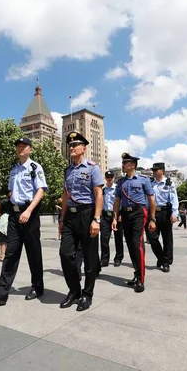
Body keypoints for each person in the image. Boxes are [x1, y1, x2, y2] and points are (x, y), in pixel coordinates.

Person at [0, 137, 47, 306]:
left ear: (30, 149)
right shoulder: (13, 169)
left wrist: (28, 210)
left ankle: (37, 287)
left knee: (33, 253)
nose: (20, 148)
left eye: (23, 146)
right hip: (15, 215)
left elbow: (40, 191)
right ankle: (0, 294)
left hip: (29, 214)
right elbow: (11, 192)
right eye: (18, 146)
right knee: (10, 253)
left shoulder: (35, 167)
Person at [58, 132, 103, 311]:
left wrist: (96, 220)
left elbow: (99, 194)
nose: (71, 147)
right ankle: (74, 290)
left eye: (75, 145)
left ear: (83, 148)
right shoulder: (67, 170)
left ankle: (87, 294)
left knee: (90, 257)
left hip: (87, 214)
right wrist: (62, 218)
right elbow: (65, 194)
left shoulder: (93, 168)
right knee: (65, 254)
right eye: (70, 145)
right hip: (70, 216)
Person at [112, 152, 156, 293]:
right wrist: (115, 217)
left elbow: (151, 200)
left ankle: (141, 279)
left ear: (132, 165)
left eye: (125, 164)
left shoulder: (144, 180)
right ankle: (136, 274)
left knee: (137, 244)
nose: (122, 166)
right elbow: (117, 201)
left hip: (139, 212)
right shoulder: (120, 182)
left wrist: (152, 218)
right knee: (130, 245)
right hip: (125, 213)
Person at [145, 162, 178, 272]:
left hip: (165, 212)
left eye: (156, 170)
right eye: (153, 170)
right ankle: (162, 258)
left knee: (167, 239)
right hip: (153, 213)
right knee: (152, 237)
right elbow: (147, 200)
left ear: (162, 171)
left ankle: (167, 262)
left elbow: (174, 199)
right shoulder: (150, 183)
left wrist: (174, 213)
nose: (153, 172)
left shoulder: (169, 183)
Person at [100, 171, 124, 267]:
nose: (109, 179)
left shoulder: (117, 189)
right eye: (108, 177)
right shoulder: (103, 190)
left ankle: (118, 258)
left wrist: (121, 214)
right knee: (104, 238)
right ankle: (104, 259)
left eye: (111, 177)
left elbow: (121, 202)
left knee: (118, 238)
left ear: (114, 178)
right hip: (106, 216)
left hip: (116, 216)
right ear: (105, 178)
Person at [0, 193, 12, 261]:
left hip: (9, 219)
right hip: (5, 219)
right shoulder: (6, 201)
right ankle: (2, 255)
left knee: (6, 238)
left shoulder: (12, 201)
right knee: (4, 237)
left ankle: (4, 255)